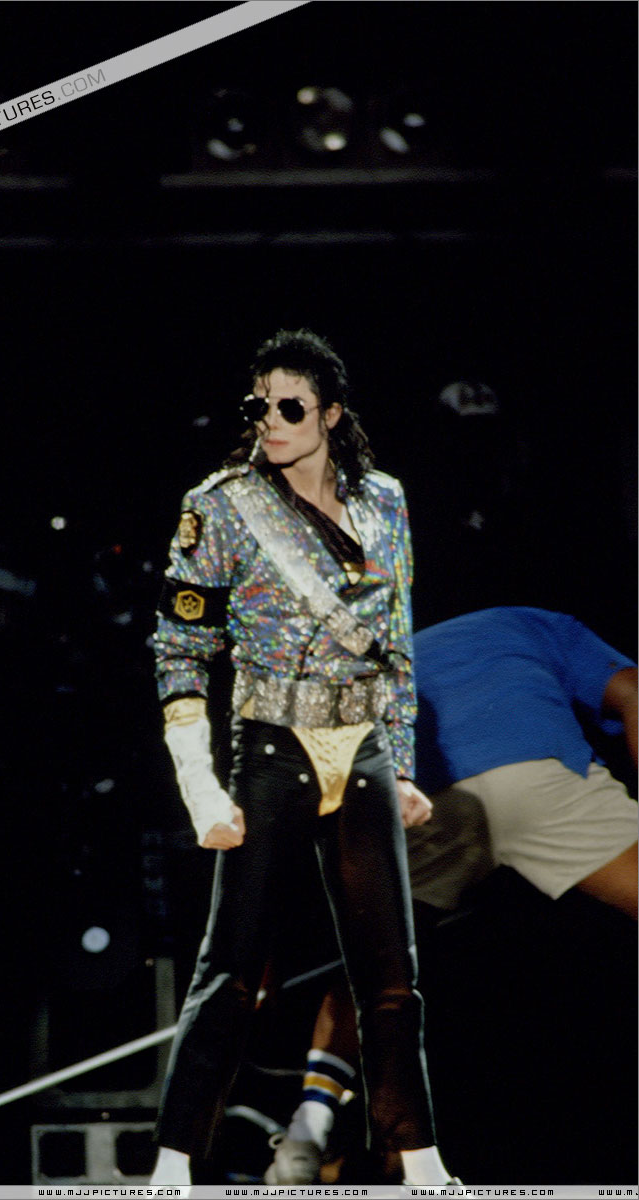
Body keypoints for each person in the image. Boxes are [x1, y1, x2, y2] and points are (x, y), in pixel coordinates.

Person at [148, 329, 458, 1186]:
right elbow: (179, 647)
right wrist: (199, 784)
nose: (272, 421)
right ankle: (172, 1164)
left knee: (391, 977)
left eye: (291, 406)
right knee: (230, 968)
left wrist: (402, 766)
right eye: (260, 406)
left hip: (362, 748)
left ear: (331, 414)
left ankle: (422, 1161)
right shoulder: (220, 506)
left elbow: (396, 646)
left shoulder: (385, 501)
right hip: (270, 746)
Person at [265, 606, 637, 1183]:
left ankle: (305, 1133)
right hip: (533, 770)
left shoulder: (377, 663)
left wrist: (262, 951)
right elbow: (632, 694)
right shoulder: (538, 624)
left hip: (423, 798)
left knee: (372, 970)